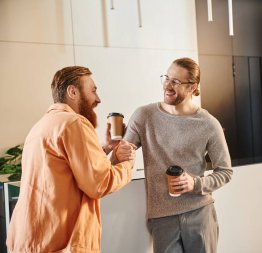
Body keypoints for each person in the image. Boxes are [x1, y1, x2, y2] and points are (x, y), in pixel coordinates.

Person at [6, 66, 136, 253]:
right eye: (93, 91)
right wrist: (126, 165)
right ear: (72, 91)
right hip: (61, 243)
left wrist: (107, 148)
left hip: (29, 240)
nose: (98, 99)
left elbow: (66, 167)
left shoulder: (40, 127)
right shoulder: (75, 122)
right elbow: (99, 183)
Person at [121, 57, 233, 253]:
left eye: (176, 81)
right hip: (162, 218)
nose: (168, 85)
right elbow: (121, 157)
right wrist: (115, 148)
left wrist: (195, 184)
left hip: (200, 214)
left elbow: (225, 171)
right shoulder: (144, 116)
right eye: (166, 78)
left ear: (192, 87)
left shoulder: (209, 123)